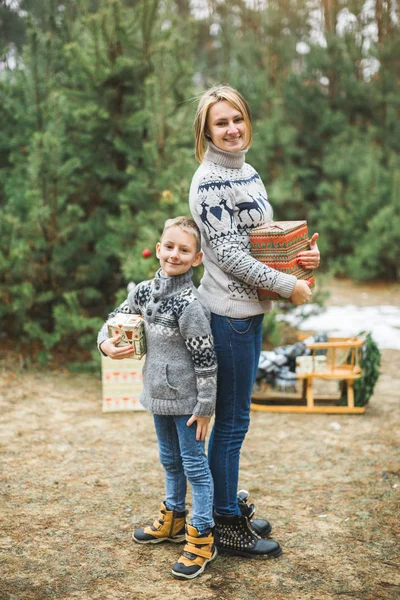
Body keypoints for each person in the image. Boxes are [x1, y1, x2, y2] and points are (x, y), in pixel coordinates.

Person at [189, 86, 320, 559]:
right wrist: (288, 288)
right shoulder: (208, 183)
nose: (231, 129)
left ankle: (224, 505)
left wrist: (301, 260)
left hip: (249, 313)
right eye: (220, 123)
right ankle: (224, 521)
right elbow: (229, 255)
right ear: (206, 132)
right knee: (231, 424)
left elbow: (262, 240)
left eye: (237, 119)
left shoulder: (247, 172)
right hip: (228, 315)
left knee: (235, 421)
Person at [97, 217, 218, 580]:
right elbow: (115, 317)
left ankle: (201, 538)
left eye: (184, 250)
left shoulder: (190, 305)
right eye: (169, 246)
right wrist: (105, 343)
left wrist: (206, 406)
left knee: (194, 465)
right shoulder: (146, 291)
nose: (174, 255)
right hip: (156, 395)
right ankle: (173, 519)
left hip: (189, 405)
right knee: (169, 459)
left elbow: (206, 360)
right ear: (159, 247)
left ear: (197, 258)